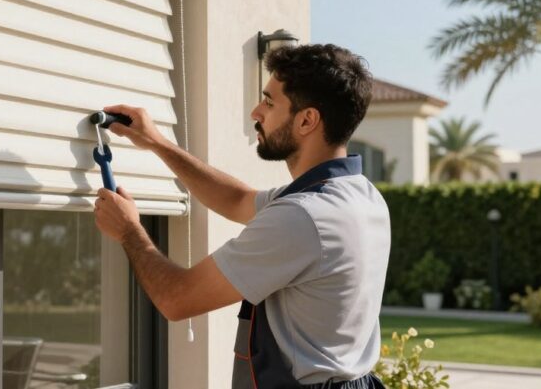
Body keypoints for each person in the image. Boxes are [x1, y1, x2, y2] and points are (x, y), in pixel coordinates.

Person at [93, 43, 389, 389]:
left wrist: (129, 230)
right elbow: (237, 200)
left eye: (269, 102)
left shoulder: (304, 217)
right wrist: (158, 143)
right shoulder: (358, 196)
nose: (255, 112)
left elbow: (177, 298)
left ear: (307, 120)